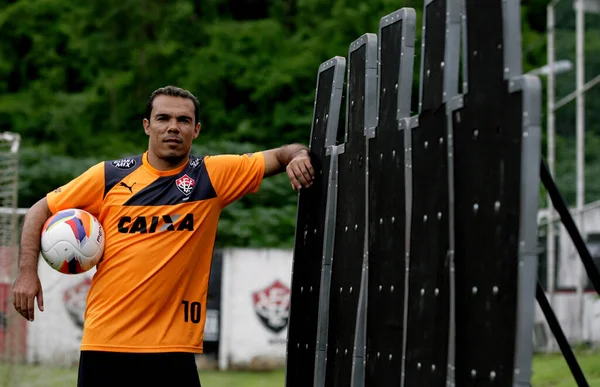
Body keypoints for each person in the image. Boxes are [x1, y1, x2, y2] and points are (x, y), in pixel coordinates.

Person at [12, 85, 315, 387]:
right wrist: (27, 273)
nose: (173, 127)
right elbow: (40, 210)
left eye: (183, 120)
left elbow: (283, 153)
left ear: (196, 130)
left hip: (173, 348)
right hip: (106, 343)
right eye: (163, 118)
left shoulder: (211, 177)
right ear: (147, 126)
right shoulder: (109, 176)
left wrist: (299, 155)